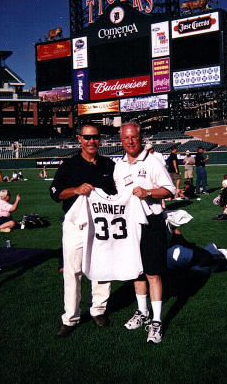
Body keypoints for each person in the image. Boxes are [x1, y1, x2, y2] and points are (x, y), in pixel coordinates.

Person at [50, 122, 116, 338]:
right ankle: (70, 317)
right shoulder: (69, 165)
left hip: (101, 226)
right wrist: (76, 190)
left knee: (102, 269)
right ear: (79, 139)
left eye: (95, 137)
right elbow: (55, 193)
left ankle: (98, 309)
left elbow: (117, 194)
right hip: (75, 225)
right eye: (87, 137)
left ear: (100, 139)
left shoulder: (108, 164)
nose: (91, 141)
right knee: (73, 272)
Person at [113, 121, 175, 344]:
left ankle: (157, 321)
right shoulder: (118, 165)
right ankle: (142, 312)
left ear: (141, 138)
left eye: (134, 137)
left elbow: (170, 189)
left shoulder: (153, 161)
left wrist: (148, 192)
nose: (130, 141)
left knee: (153, 273)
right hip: (129, 225)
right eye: (126, 138)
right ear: (121, 140)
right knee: (136, 271)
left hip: (151, 222)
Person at [145, 144, 167, 209]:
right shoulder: (147, 156)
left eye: (148, 150)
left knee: (161, 190)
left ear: (152, 149)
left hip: (159, 175)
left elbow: (164, 165)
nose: (147, 151)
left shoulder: (158, 155)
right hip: (150, 176)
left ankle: (163, 206)